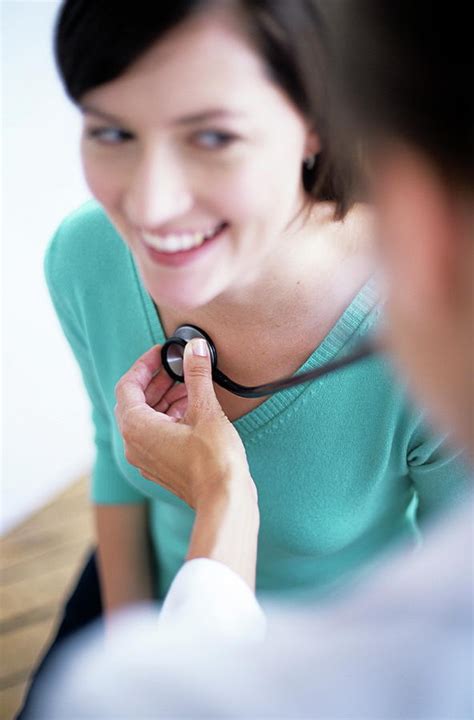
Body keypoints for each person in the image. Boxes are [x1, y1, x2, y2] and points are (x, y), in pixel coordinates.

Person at [16, 0, 471, 717]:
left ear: (320, 121)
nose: (152, 205)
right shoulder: (85, 254)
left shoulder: (430, 321)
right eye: (112, 130)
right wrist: (133, 647)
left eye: (213, 137)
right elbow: (114, 454)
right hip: (155, 595)